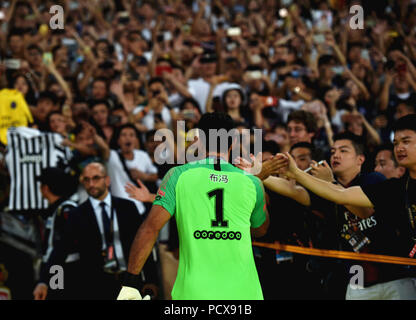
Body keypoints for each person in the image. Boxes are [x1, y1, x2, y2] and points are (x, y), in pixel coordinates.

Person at [117, 112, 269, 300]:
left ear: (198, 140)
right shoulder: (252, 182)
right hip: (245, 293)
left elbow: (150, 228)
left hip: (194, 293)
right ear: (233, 143)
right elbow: (259, 229)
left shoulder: (178, 175)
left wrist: (130, 282)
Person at [280, 114, 416, 299]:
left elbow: (364, 211)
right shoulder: (398, 187)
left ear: (360, 159)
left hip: (394, 277)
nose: (399, 147)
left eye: (343, 151)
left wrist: (329, 182)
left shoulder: (373, 180)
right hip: (357, 281)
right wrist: (258, 173)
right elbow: (324, 193)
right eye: (396, 143)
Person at [38, 162, 159, 300]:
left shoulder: (127, 207)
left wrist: (151, 280)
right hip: (96, 286)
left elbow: (143, 244)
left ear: (107, 180)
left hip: (129, 279)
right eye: (86, 179)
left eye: (96, 178)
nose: (91, 184)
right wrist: (44, 281)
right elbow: (60, 250)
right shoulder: (76, 215)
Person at [32, 167, 79, 300]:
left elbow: (62, 247)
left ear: (45, 188)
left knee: (56, 296)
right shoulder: (56, 209)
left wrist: (45, 279)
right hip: (57, 267)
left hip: (62, 268)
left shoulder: (66, 209)